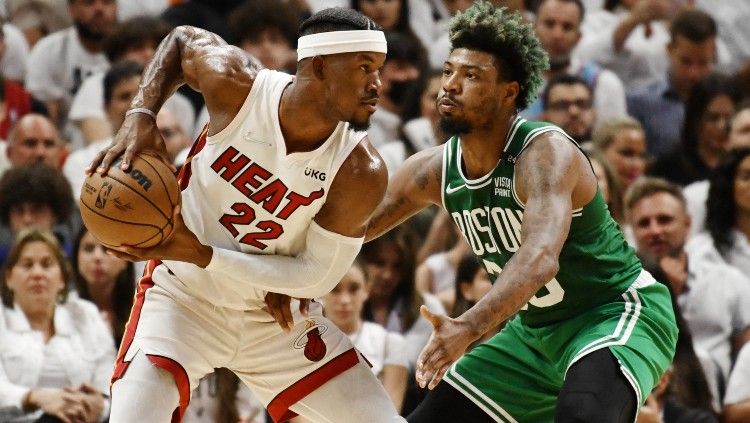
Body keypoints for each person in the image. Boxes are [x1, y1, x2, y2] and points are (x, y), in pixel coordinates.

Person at [87, 7, 405, 423]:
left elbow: (317, 276)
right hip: (185, 299)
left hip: (273, 318)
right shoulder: (237, 85)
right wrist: (140, 114)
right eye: (366, 68)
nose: (377, 84)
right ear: (321, 66)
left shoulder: (359, 170)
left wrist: (205, 254)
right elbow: (181, 41)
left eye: (378, 69)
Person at [363, 3, 677, 421]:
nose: (451, 86)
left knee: (582, 416)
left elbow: (539, 259)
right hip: (532, 335)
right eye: (448, 71)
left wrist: (469, 326)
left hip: (610, 313)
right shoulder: (431, 170)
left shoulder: (545, 154)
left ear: (509, 92)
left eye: (471, 76)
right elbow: (350, 230)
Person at [0, 228, 116, 423]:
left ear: (62, 278)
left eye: (47, 265)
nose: (37, 273)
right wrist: (35, 397)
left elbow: (110, 384)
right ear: (9, 278)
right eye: (27, 265)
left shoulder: (85, 314)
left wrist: (101, 406)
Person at [323, 259, 409, 412]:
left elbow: (391, 414)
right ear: (319, 293)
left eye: (354, 289)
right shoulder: (302, 346)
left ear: (367, 290)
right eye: (334, 289)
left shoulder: (391, 343)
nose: (344, 300)